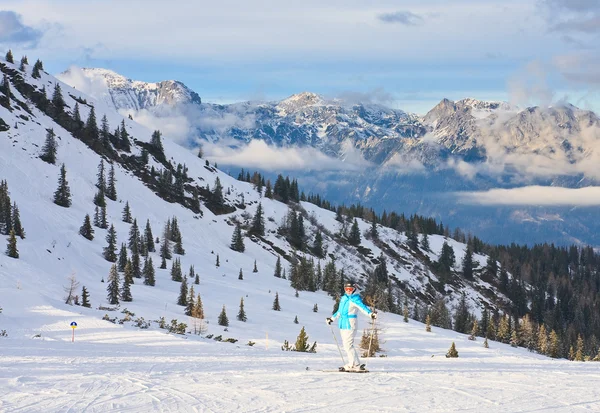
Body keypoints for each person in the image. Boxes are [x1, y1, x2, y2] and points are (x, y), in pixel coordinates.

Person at [326, 283, 376, 371]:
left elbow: (362, 308)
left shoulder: (355, 299)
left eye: (351, 289)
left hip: (350, 323)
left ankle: (353, 364)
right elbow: (339, 311)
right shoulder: (344, 298)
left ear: (354, 289)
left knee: (348, 345)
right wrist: (332, 319)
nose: (348, 291)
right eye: (347, 289)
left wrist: (370, 314)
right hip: (342, 323)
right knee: (346, 345)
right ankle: (355, 364)